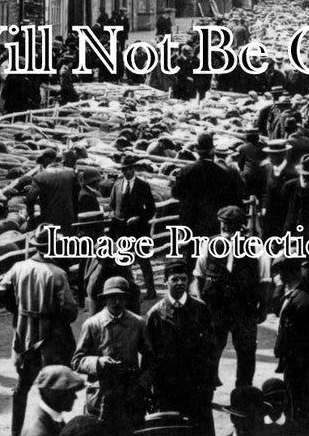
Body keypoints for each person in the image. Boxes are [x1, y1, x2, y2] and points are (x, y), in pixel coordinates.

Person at [0, 225, 79, 436]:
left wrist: (19, 311)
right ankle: (55, 431)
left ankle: (15, 432)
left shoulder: (18, 267)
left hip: (25, 336)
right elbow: (70, 311)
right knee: (56, 388)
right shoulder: (58, 273)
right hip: (51, 338)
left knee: (22, 387)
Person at [194, 206, 270, 391]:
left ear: (240, 226)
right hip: (216, 306)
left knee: (246, 350)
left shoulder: (255, 246)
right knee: (212, 347)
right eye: (225, 225)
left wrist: (263, 307)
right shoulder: (208, 244)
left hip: (243, 307)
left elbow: (264, 278)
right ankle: (208, 385)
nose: (227, 229)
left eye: (232, 226)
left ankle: (243, 391)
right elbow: (199, 274)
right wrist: (201, 302)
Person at [144, 262, 216, 436]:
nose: (179, 283)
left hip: (197, 385)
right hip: (168, 388)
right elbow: (149, 354)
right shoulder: (155, 314)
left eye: (183, 279)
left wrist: (210, 380)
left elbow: (211, 349)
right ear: (165, 281)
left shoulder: (200, 309)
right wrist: (150, 387)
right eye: (174, 279)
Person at [72, 278, 149, 436]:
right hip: (101, 396)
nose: (116, 301)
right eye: (112, 297)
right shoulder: (92, 324)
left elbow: (151, 358)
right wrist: (98, 362)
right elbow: (77, 361)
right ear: (105, 299)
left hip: (130, 394)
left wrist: (142, 383)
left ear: (127, 299)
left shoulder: (138, 323)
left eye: (121, 297)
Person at [270, 257, 309, 435]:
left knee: (303, 408)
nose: (277, 277)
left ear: (287, 274)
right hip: (301, 363)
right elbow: (276, 306)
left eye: (280, 273)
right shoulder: (297, 292)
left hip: (302, 365)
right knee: (308, 405)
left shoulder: (304, 300)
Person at [171, 133, 244, 244]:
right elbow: (232, 198)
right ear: (212, 151)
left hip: (190, 220)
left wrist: (189, 200)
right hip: (213, 221)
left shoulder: (186, 171)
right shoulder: (223, 174)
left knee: (192, 252)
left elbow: (175, 193)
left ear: (197, 151)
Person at [108, 157, 157, 300]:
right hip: (122, 230)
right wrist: (115, 217)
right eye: (124, 169)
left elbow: (151, 209)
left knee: (143, 260)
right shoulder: (117, 185)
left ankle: (151, 291)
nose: (126, 172)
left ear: (133, 169)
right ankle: (127, 291)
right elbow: (112, 206)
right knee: (123, 261)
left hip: (139, 230)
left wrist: (139, 218)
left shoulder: (143, 185)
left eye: (129, 168)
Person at [20, 366, 86, 436]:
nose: (75, 397)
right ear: (54, 394)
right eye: (70, 392)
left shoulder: (51, 418)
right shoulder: (39, 430)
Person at [26, 151, 80, 237]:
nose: (42, 165)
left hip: (48, 219)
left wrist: (31, 215)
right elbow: (77, 195)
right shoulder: (71, 172)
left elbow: (30, 198)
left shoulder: (39, 176)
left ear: (47, 160)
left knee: (52, 244)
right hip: (68, 216)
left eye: (42, 163)